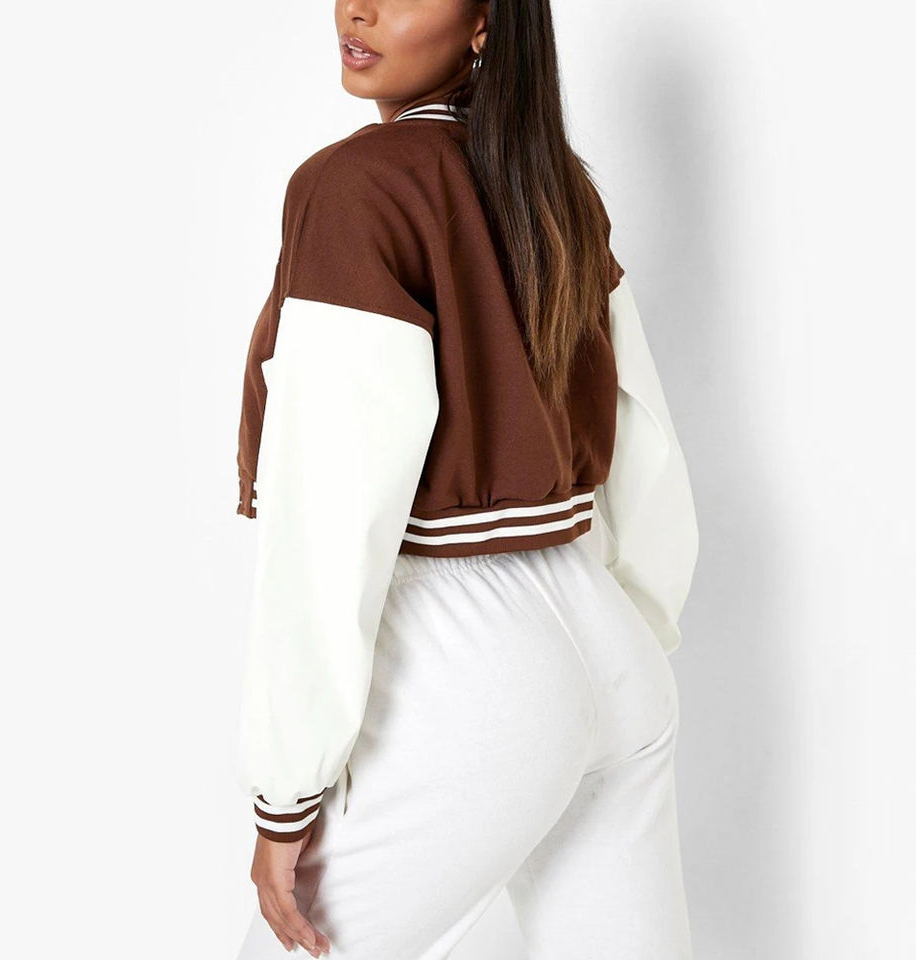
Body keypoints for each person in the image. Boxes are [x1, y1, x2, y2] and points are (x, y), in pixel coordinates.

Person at [232, 2, 699, 958]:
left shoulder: (356, 189)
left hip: (474, 666)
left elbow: (330, 510)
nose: (360, 9)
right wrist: (621, 644)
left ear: (486, 22)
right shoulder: (554, 184)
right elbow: (643, 436)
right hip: (610, 645)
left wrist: (287, 790)